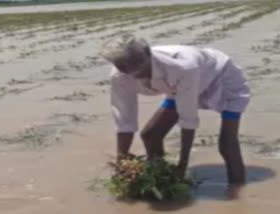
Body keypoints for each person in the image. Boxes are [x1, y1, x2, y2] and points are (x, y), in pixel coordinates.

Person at [100, 34, 250, 184]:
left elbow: (188, 119)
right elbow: (124, 119)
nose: (132, 71)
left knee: (227, 144)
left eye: (136, 63)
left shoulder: (181, 67)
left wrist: (182, 166)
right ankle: (158, 178)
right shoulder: (120, 76)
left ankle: (237, 188)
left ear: (147, 52)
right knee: (150, 134)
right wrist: (122, 159)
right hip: (178, 86)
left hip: (221, 76)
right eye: (123, 66)